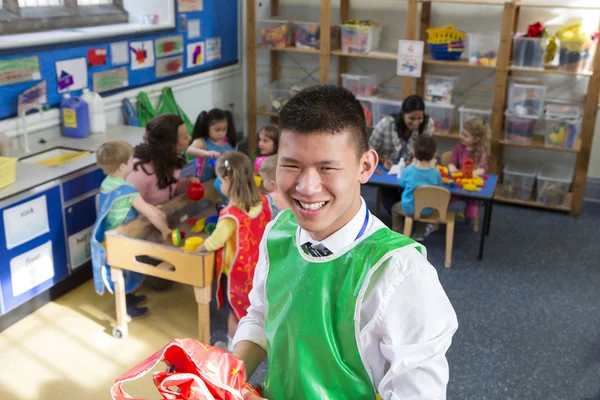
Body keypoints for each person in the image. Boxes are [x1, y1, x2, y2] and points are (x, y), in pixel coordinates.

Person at [232, 84, 458, 400]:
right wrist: (221, 380)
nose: (306, 187)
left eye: (327, 167)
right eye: (291, 165)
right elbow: (260, 316)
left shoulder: (400, 273)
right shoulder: (278, 233)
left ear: (365, 166)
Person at [196, 151, 273, 353]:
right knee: (257, 308)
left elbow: (214, 242)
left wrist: (200, 247)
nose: (220, 185)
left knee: (236, 314)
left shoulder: (231, 215)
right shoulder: (263, 202)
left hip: (239, 274)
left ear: (228, 180)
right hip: (261, 267)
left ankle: (232, 349)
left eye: (220, 180)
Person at [91, 141, 172, 319]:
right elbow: (148, 213)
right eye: (130, 161)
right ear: (122, 166)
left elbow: (147, 209)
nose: (133, 163)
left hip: (110, 235)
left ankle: (129, 296)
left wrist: (155, 211)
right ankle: (126, 306)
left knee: (126, 270)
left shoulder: (107, 183)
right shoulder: (127, 190)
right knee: (125, 270)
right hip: (123, 237)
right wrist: (164, 229)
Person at [369, 94, 434, 215]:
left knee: (414, 200)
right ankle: (403, 220)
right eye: (412, 118)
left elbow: (425, 149)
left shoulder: (427, 124)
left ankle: (408, 221)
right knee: (392, 204)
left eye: (419, 118)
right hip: (387, 172)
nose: (416, 123)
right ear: (403, 114)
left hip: (412, 171)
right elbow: (369, 149)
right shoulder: (386, 124)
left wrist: (416, 161)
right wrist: (384, 161)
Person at [127, 114, 196, 205]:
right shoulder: (140, 171)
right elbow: (129, 207)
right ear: (169, 143)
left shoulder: (173, 157)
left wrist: (185, 185)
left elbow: (169, 188)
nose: (189, 138)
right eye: (185, 137)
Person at [391, 135, 444, 241]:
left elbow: (402, 183)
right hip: (428, 210)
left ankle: (398, 233)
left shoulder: (409, 170)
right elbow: (439, 187)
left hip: (409, 209)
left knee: (395, 208)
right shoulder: (436, 173)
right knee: (423, 205)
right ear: (434, 155)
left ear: (414, 154)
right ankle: (419, 233)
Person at [448, 117, 491, 221]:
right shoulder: (459, 147)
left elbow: (481, 169)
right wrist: (454, 170)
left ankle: (469, 213)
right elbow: (451, 163)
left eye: (465, 135)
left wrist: (470, 174)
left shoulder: (481, 151)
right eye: (462, 133)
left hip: (471, 187)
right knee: (443, 200)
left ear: (476, 139)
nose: (461, 137)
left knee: (470, 215)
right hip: (457, 184)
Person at [187, 108, 237, 182]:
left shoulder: (228, 143)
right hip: (203, 183)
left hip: (222, 181)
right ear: (207, 128)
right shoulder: (201, 142)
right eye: (217, 130)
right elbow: (189, 150)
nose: (221, 133)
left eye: (224, 129)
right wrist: (207, 153)